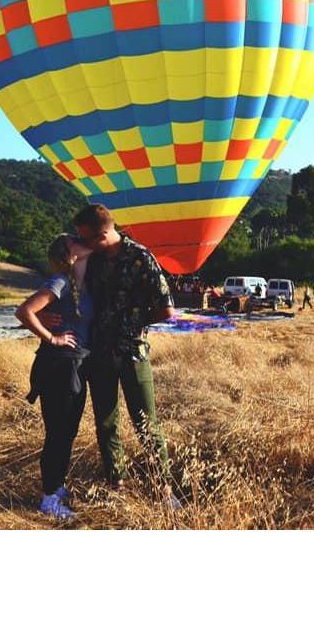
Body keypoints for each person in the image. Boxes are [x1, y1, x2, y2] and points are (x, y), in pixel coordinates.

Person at [73, 204, 179, 507]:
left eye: (89, 239)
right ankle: (115, 484)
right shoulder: (92, 259)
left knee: (146, 423)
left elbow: (166, 308)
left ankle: (163, 491)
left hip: (132, 353)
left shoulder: (141, 258)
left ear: (104, 233)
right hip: (99, 355)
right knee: (106, 423)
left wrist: (131, 322)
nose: (85, 245)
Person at [16, 234, 93, 521]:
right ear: (67, 255)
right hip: (59, 365)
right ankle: (49, 499)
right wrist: (52, 337)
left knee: (67, 432)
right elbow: (24, 311)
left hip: (74, 365)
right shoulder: (60, 282)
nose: (80, 240)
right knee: (58, 433)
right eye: (74, 240)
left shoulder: (82, 286)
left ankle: (56, 487)